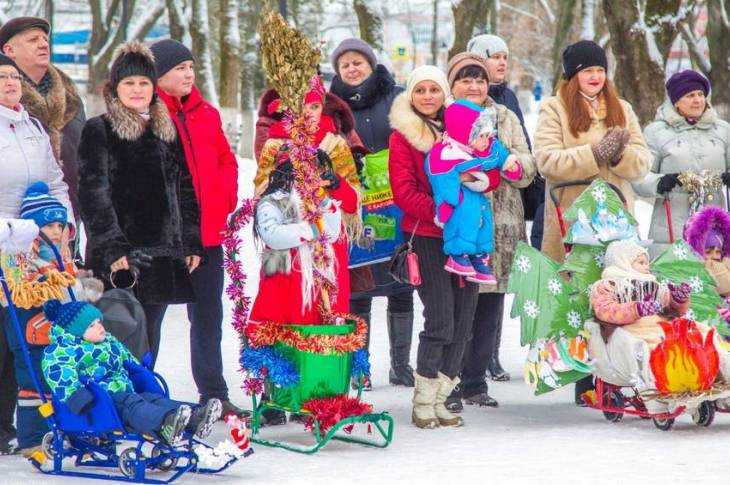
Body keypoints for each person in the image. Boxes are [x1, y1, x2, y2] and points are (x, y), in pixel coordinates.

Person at [534, 40, 651, 404]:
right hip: (573, 217)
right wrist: (594, 154)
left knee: (620, 289)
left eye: (600, 70)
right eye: (588, 71)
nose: (596, 77)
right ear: (573, 75)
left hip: (616, 217)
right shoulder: (554, 108)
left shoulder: (622, 108)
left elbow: (642, 162)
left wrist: (617, 157)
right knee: (583, 294)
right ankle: (586, 378)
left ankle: (620, 373)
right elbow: (546, 160)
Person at [77, 41, 203, 370]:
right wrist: (113, 248)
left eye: (144, 82)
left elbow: (184, 189)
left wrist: (191, 240)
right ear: (115, 88)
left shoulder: (165, 129)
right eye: (129, 82)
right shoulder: (100, 129)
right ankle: (120, 400)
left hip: (162, 255)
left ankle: (144, 398)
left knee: (150, 337)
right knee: (117, 336)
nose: (137, 90)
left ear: (154, 87)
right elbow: (93, 194)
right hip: (122, 259)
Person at [150, 39, 243, 419]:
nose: (188, 74)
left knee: (207, 317)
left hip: (207, 236)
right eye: (179, 69)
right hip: (164, 240)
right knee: (150, 320)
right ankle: (142, 396)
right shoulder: (150, 115)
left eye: (190, 67)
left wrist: (223, 200)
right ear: (159, 76)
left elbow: (226, 160)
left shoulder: (207, 113)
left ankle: (214, 394)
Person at [442, 53, 535, 410]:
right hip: (459, 224)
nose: (474, 86)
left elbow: (527, 164)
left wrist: (508, 165)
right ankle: (447, 382)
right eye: (465, 79)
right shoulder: (443, 117)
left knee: (489, 306)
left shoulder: (505, 116)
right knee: (456, 306)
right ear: (452, 85)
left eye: (480, 79)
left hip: (501, 224)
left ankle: (474, 381)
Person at [388, 65, 473, 429]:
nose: (427, 96)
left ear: (444, 94)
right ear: (411, 95)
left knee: (464, 318)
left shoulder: (461, 128)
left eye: (433, 89)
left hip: (467, 238)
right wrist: (440, 211)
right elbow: (403, 190)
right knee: (440, 318)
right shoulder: (403, 137)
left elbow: (481, 170)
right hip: (427, 234)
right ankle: (423, 400)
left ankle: (441, 398)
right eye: (420, 90)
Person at [329, 38, 415, 387]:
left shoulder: (396, 97)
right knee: (358, 289)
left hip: (397, 201)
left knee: (401, 284)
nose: (352, 69)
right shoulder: (331, 105)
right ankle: (359, 367)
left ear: (370, 63)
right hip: (354, 207)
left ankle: (401, 365)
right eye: (345, 64)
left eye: (357, 62)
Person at [0, 53, 73, 455]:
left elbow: (56, 181)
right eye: (1, 77)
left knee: (33, 339)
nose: (10, 82)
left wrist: (65, 225)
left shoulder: (32, 126)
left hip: (39, 254)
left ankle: (41, 426)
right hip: (7, 246)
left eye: (13, 76)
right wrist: (19, 231)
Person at [40, 299, 222, 445]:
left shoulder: (108, 341)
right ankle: (167, 422)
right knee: (134, 405)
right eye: (91, 325)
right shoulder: (62, 351)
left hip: (125, 390)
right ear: (76, 332)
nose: (100, 327)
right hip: (101, 401)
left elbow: (127, 359)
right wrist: (79, 398)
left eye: (99, 322)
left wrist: (141, 371)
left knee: (152, 399)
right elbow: (60, 376)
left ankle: (195, 417)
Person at [633, 70, 730, 257]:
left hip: (714, 225)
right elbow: (638, 176)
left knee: (716, 274)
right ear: (676, 101)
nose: (698, 100)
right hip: (671, 228)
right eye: (690, 95)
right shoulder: (656, 132)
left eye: (701, 94)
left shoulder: (723, 130)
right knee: (677, 274)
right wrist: (658, 182)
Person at [425, 98, 521, 282]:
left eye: (487, 135)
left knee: (484, 220)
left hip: (478, 197)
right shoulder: (447, 153)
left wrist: (510, 164)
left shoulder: (487, 145)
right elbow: (442, 179)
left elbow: (499, 153)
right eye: (481, 136)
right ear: (465, 134)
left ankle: (478, 255)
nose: (486, 141)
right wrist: (447, 203)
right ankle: (458, 253)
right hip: (458, 198)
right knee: (464, 219)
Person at [0, 17, 85, 222]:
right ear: (9, 50)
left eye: (45, 39)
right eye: (33, 40)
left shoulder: (72, 97)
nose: (43, 44)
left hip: (68, 216)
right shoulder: (9, 103)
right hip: (14, 223)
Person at [467, 34, 544, 250]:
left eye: (505, 57)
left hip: (510, 205)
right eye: (495, 57)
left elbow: (524, 145)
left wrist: (518, 167)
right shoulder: (462, 102)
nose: (502, 62)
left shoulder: (509, 97)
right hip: (476, 202)